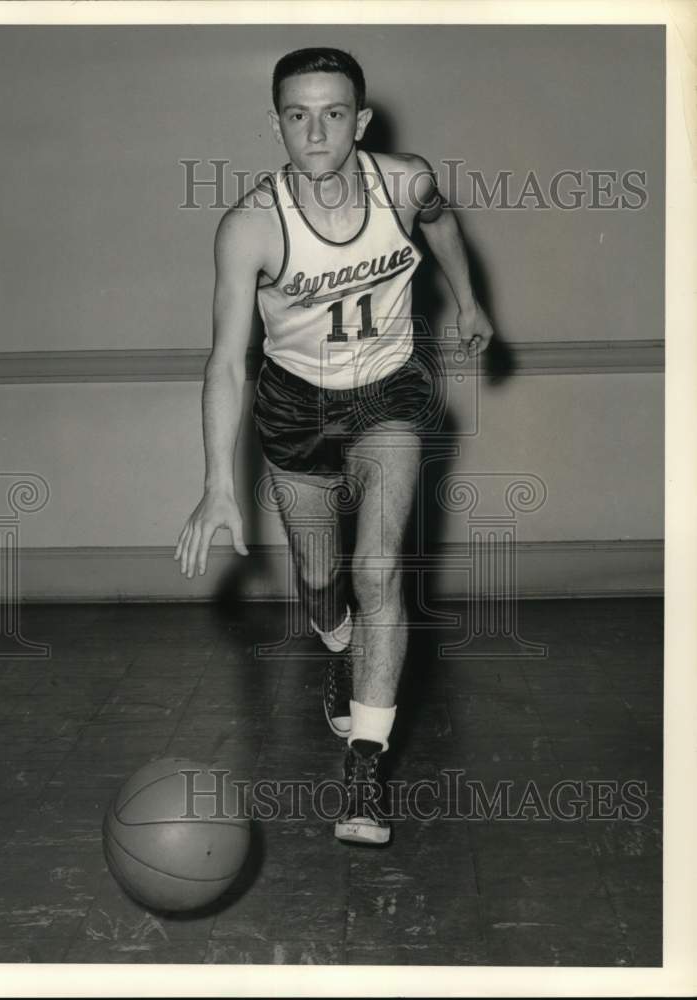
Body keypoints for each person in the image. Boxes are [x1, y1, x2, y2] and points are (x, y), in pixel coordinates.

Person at [175, 47, 494, 845]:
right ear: (276, 121)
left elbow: (443, 223)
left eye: (332, 112)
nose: (315, 131)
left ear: (362, 119)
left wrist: (467, 301)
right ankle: (335, 640)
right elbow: (224, 361)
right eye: (296, 114)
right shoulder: (249, 225)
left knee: (379, 567)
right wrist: (218, 481)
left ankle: (364, 771)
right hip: (294, 406)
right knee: (322, 583)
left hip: (389, 388)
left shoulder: (405, 181)